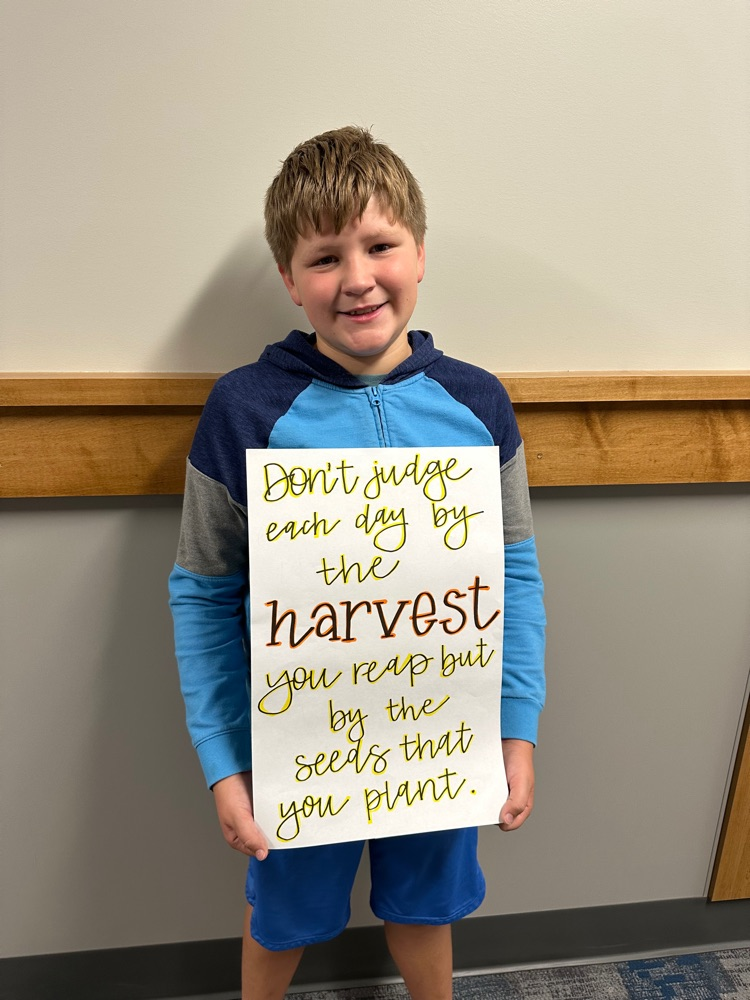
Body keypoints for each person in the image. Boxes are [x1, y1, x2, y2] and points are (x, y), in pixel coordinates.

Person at [169, 126, 546, 1000]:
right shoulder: (245, 410)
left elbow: (514, 574)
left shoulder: (477, 403)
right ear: (289, 277)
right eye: (325, 257)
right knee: (284, 912)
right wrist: (224, 761)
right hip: (296, 745)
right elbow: (203, 593)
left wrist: (516, 730)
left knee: (427, 904)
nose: (358, 278)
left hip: (441, 731)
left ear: (421, 253)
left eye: (380, 246)